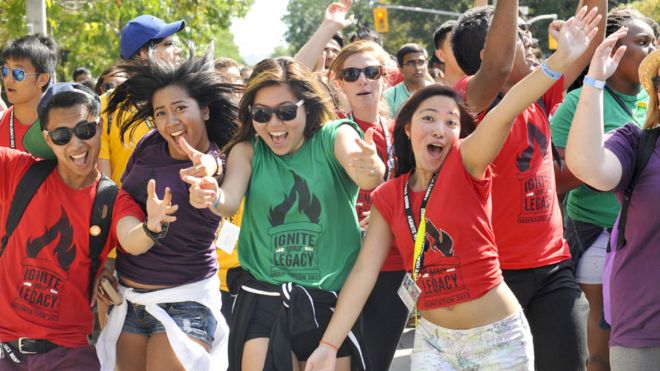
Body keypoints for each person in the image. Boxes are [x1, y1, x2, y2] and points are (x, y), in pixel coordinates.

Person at [305, 12, 603, 370]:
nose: (439, 129)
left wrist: (558, 60)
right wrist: (328, 344)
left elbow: (507, 109)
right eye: (428, 118)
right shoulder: (389, 197)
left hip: (498, 339)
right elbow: (364, 273)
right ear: (407, 128)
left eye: (451, 123)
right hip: (434, 343)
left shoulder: (467, 166)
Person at [184, 56, 385, 371]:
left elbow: (366, 174)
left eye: (286, 112)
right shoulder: (247, 150)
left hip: (329, 304)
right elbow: (229, 200)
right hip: (265, 301)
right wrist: (211, 194)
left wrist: (371, 168)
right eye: (262, 114)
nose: (274, 125)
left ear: (308, 106)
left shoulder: (335, 136)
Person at [451, 2, 606, 369]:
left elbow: (587, 46)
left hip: (553, 268)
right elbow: (500, 66)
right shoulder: (466, 103)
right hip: (493, 277)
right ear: (489, 51)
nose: (531, 40)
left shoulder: (540, 93)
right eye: (521, 34)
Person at [0, 82, 173, 370]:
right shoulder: (20, 171)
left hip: (67, 353)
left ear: (100, 126)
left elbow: (131, 237)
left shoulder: (110, 199)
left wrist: (151, 228)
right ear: (48, 138)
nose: (76, 145)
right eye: (61, 135)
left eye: (84, 130)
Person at [93, 54, 237, 371]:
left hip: (185, 302)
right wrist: (108, 266)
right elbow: (124, 199)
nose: (170, 121)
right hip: (129, 299)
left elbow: (219, 173)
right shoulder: (148, 144)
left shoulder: (216, 158)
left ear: (205, 109)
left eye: (180, 108)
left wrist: (211, 177)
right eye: (161, 112)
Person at [550, 9, 656, 370]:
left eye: (654, 42)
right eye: (642, 42)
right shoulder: (579, 102)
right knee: (603, 344)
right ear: (614, 51)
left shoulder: (647, 103)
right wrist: (618, 162)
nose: (651, 49)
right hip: (600, 236)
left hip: (642, 241)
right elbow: (563, 176)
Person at [327, 40, 406, 370]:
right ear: (338, 83)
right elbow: (291, 75)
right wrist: (328, 29)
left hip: (393, 264)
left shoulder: (403, 132)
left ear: (385, 78)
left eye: (371, 72)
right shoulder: (328, 131)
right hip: (340, 266)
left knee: (375, 363)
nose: (363, 80)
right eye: (352, 74)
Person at [98, 14, 186, 186]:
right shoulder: (104, 106)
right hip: (128, 211)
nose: (178, 50)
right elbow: (105, 185)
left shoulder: (190, 99)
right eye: (168, 44)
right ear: (144, 53)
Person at [0, 34, 57, 152]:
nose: (8, 79)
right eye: (5, 70)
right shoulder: (1, 122)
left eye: (18, 73)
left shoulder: (63, 125)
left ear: (43, 79)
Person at [383, 43, 430, 118]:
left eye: (421, 62)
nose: (417, 68)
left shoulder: (437, 91)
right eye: (411, 63)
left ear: (427, 64)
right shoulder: (390, 96)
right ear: (400, 67)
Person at [433, 20, 466, 87]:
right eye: (455, 44)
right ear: (440, 55)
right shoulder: (433, 94)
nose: (463, 49)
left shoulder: (487, 90)